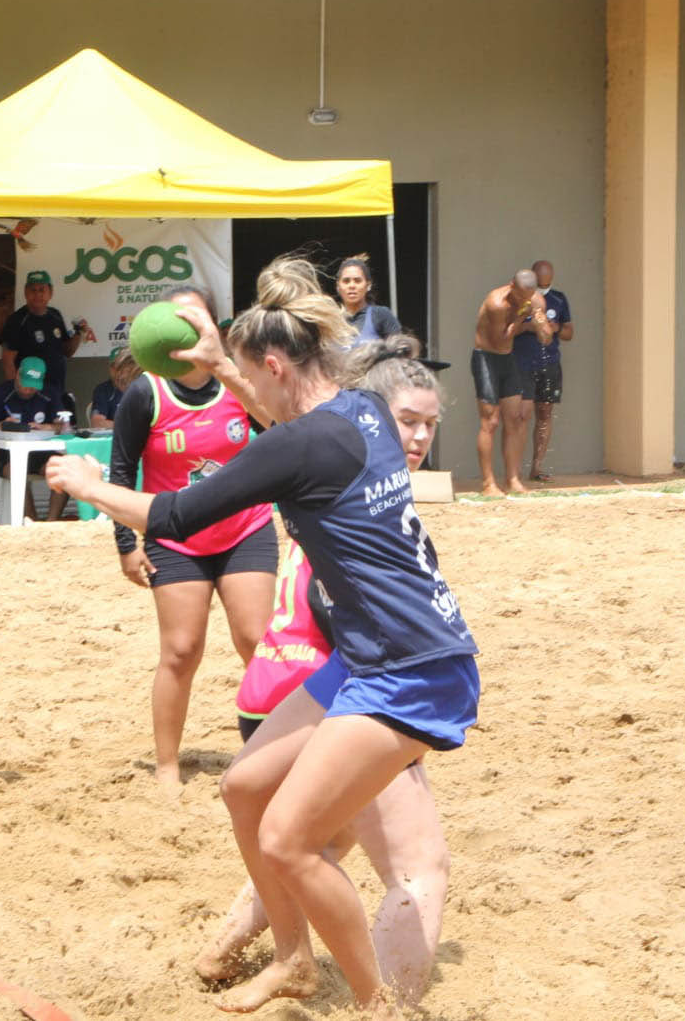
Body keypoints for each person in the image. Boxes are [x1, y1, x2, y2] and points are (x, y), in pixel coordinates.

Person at [47, 257, 478, 1015]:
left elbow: (177, 518)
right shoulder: (361, 410)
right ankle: (292, 961)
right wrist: (219, 359)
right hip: (374, 651)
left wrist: (87, 486)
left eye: (241, 376)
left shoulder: (299, 443)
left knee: (287, 838)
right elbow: (286, 418)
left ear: (273, 364)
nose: (233, 392)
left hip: (411, 666)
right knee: (244, 786)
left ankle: (376, 1004)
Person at [198, 337, 451, 1005]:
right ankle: (388, 1001)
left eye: (429, 424)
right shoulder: (350, 478)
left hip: (287, 686)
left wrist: (226, 368)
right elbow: (288, 427)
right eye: (406, 421)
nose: (417, 437)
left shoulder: (329, 462)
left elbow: (285, 424)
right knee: (408, 866)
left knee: (299, 834)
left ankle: (233, 951)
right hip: (339, 685)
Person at [108, 283, 278, 794]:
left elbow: (282, 431)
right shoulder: (147, 393)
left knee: (258, 642)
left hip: (245, 529)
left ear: (214, 328)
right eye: (175, 318)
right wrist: (126, 545)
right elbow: (121, 472)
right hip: (176, 537)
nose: (186, 328)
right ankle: (167, 766)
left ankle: (278, 748)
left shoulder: (239, 383)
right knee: (181, 650)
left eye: (196, 318)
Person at [470, 269, 550, 496]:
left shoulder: (535, 300)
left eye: (529, 296)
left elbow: (546, 337)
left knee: (514, 420)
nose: (524, 301)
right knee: (490, 421)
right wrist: (521, 318)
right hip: (486, 358)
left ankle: (513, 480)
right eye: (520, 296)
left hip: (507, 359)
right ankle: (488, 483)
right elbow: (500, 339)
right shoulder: (497, 303)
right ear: (511, 286)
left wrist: (541, 324)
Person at [511, 259, 573, 481]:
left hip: (549, 363)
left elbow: (569, 333)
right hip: (522, 363)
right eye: (540, 284)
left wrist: (554, 329)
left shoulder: (558, 298)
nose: (542, 290)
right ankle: (514, 472)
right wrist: (528, 326)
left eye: (546, 284)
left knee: (545, 413)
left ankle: (536, 467)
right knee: (521, 415)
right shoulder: (520, 298)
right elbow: (505, 332)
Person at [0, 357, 66, 521]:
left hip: (40, 453)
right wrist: (1, 425)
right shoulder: (1, 392)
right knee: (16, 470)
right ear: (17, 375)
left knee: (64, 468)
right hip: (6, 455)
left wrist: (48, 427)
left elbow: (63, 425)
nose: (29, 390)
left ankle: (52, 523)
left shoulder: (50, 393)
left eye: (34, 386)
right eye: (26, 383)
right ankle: (31, 523)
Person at [1, 269, 93, 396]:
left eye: (41, 289)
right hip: (30, 391)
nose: (37, 294)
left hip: (56, 390)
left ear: (51, 292)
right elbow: (7, 361)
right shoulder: (17, 321)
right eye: (33, 290)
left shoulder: (55, 315)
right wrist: (14, 393)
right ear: (25, 292)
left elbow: (67, 352)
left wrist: (78, 333)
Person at [334, 255, 401, 346]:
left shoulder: (381, 315)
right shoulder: (330, 319)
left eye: (357, 281)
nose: (352, 286)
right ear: (338, 286)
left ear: (368, 285)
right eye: (346, 281)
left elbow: (399, 352)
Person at [90, 346, 142, 428]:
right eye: (114, 366)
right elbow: (97, 422)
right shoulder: (103, 389)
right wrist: (129, 427)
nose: (117, 372)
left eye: (122, 366)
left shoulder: (143, 387)